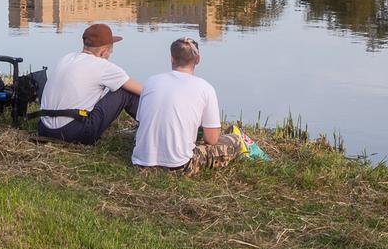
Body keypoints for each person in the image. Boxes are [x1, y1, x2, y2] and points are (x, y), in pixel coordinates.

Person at [132, 37, 242, 175]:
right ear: (197, 59)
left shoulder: (151, 82)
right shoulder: (205, 88)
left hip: (141, 163)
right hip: (179, 166)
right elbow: (212, 139)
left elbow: (141, 121)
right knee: (235, 140)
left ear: (172, 58)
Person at [36, 23, 142, 145]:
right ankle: (150, 128)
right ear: (103, 52)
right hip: (72, 133)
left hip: (43, 129)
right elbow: (144, 91)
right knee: (125, 91)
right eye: (110, 52)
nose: (110, 55)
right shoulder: (103, 66)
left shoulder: (66, 58)